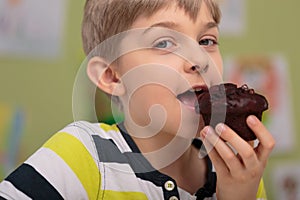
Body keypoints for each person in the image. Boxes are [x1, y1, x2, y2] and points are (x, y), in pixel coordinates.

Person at [0, 0, 275, 199]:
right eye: (164, 43)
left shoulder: (240, 172)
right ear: (112, 77)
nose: (199, 60)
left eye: (206, 41)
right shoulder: (83, 154)